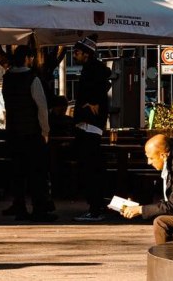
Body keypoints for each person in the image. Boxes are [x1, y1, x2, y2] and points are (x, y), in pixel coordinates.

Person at [1, 45, 57, 222]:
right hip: (32, 132)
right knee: (36, 173)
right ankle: (39, 210)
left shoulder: (7, 78)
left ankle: (19, 207)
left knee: (18, 173)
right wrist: (45, 131)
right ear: (26, 58)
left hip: (13, 131)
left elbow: (7, 103)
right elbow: (42, 107)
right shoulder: (33, 78)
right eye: (31, 57)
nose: (33, 60)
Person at [71, 36, 111, 222]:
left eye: (77, 52)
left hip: (88, 125)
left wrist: (89, 104)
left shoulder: (92, 71)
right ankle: (96, 206)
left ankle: (95, 208)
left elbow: (95, 91)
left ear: (86, 54)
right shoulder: (97, 70)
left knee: (90, 167)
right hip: (92, 125)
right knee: (92, 167)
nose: (75, 55)